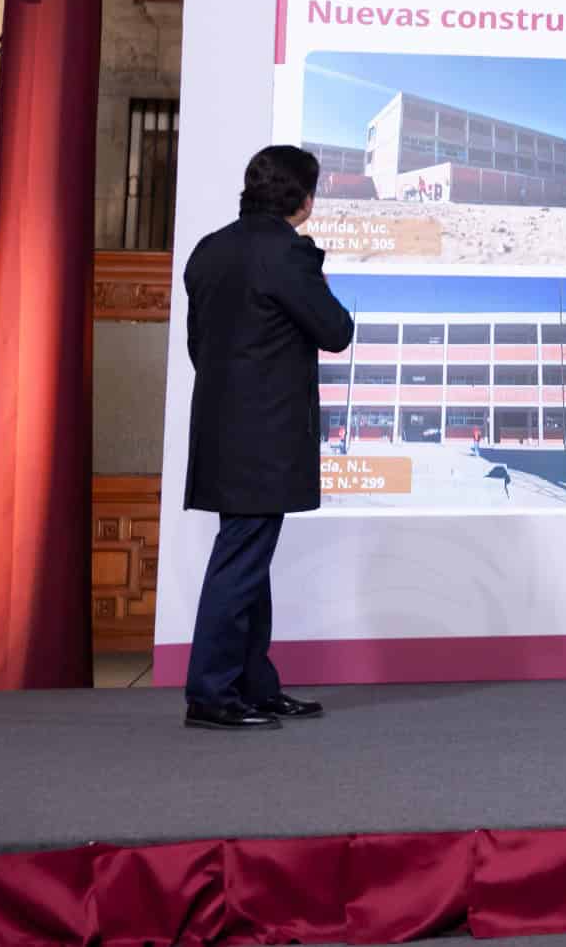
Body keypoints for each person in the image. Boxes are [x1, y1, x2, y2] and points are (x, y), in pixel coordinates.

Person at [181, 144, 354, 731]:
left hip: (220, 431)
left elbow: (200, 347)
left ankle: (254, 685)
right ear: (302, 197)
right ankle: (211, 693)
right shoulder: (286, 254)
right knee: (240, 561)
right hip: (266, 436)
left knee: (247, 559)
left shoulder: (209, 250)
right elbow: (336, 330)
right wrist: (313, 268)